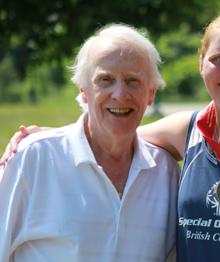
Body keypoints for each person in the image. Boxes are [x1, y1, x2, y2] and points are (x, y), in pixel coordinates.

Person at [1, 11, 220, 262]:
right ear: (201, 64)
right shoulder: (186, 131)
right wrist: (46, 138)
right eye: (219, 59)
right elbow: (115, 129)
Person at [0, 24, 179, 261]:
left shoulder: (166, 173)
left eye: (133, 81)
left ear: (151, 94)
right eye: (105, 79)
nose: (120, 94)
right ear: (84, 91)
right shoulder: (33, 158)